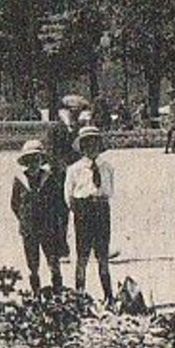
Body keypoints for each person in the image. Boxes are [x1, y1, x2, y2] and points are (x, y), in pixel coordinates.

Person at [65, 126, 115, 303]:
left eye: (95, 143)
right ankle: (80, 294)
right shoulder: (74, 169)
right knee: (82, 255)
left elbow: (110, 190)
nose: (91, 148)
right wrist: (81, 210)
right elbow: (69, 196)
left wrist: (100, 203)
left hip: (101, 210)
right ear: (82, 147)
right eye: (87, 144)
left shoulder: (107, 167)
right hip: (83, 210)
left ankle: (109, 295)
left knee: (102, 255)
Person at [10, 140, 68, 292]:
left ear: (41, 161)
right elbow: (15, 204)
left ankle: (58, 292)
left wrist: (57, 227)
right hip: (29, 230)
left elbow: (59, 204)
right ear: (25, 162)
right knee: (32, 265)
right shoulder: (20, 181)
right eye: (29, 160)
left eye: (36, 159)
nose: (33, 164)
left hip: (48, 228)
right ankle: (36, 294)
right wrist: (25, 219)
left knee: (53, 263)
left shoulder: (49, 179)